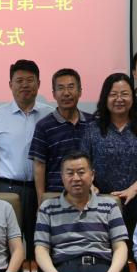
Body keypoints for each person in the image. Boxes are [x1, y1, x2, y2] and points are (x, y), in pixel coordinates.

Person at [0, 59, 53, 256]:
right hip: (6, 189)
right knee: (4, 246)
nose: (25, 85)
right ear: (10, 84)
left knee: (39, 244)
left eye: (30, 80)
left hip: (40, 189)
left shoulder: (50, 115)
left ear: (38, 84)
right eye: (19, 80)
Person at [79, 73, 137, 233]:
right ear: (105, 98)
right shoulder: (92, 129)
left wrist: (133, 190)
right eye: (113, 94)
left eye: (124, 94)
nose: (119, 99)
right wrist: (91, 187)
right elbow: (83, 164)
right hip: (100, 202)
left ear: (133, 97)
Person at [34, 151, 128, 272]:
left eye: (81, 172)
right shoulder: (48, 207)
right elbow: (41, 248)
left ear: (92, 175)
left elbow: (120, 246)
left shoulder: (109, 205)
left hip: (102, 269)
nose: (76, 178)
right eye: (70, 173)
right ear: (62, 177)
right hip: (63, 270)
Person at [30, 68, 94, 201]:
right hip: (55, 195)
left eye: (71, 87)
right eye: (61, 88)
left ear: (80, 91)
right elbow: (39, 166)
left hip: (88, 194)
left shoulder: (92, 122)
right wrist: (41, 199)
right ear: (54, 94)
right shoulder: (44, 126)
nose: (66, 93)